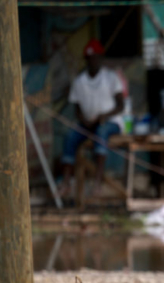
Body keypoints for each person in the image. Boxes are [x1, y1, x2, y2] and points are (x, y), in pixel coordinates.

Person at [59, 39, 125, 197]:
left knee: (101, 132)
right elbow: (77, 109)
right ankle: (66, 183)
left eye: (96, 57)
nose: (94, 61)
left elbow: (120, 106)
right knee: (69, 137)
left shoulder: (111, 78)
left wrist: (104, 116)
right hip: (87, 124)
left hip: (110, 123)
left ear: (101, 58)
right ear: (86, 60)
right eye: (90, 58)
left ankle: (98, 182)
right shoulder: (79, 82)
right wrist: (85, 121)